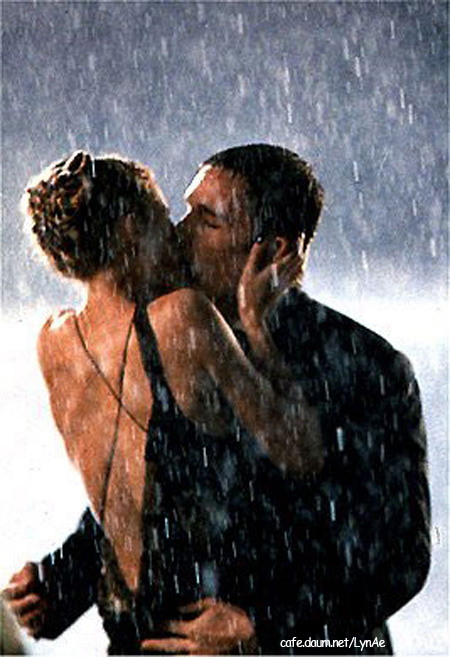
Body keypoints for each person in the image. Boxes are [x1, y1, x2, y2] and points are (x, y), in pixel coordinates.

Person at [5, 145, 430, 655]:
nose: (179, 232)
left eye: (207, 221)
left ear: (271, 251)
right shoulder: (171, 331)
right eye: (184, 212)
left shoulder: (365, 366)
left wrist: (266, 626)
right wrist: (61, 582)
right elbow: (158, 488)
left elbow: (400, 558)